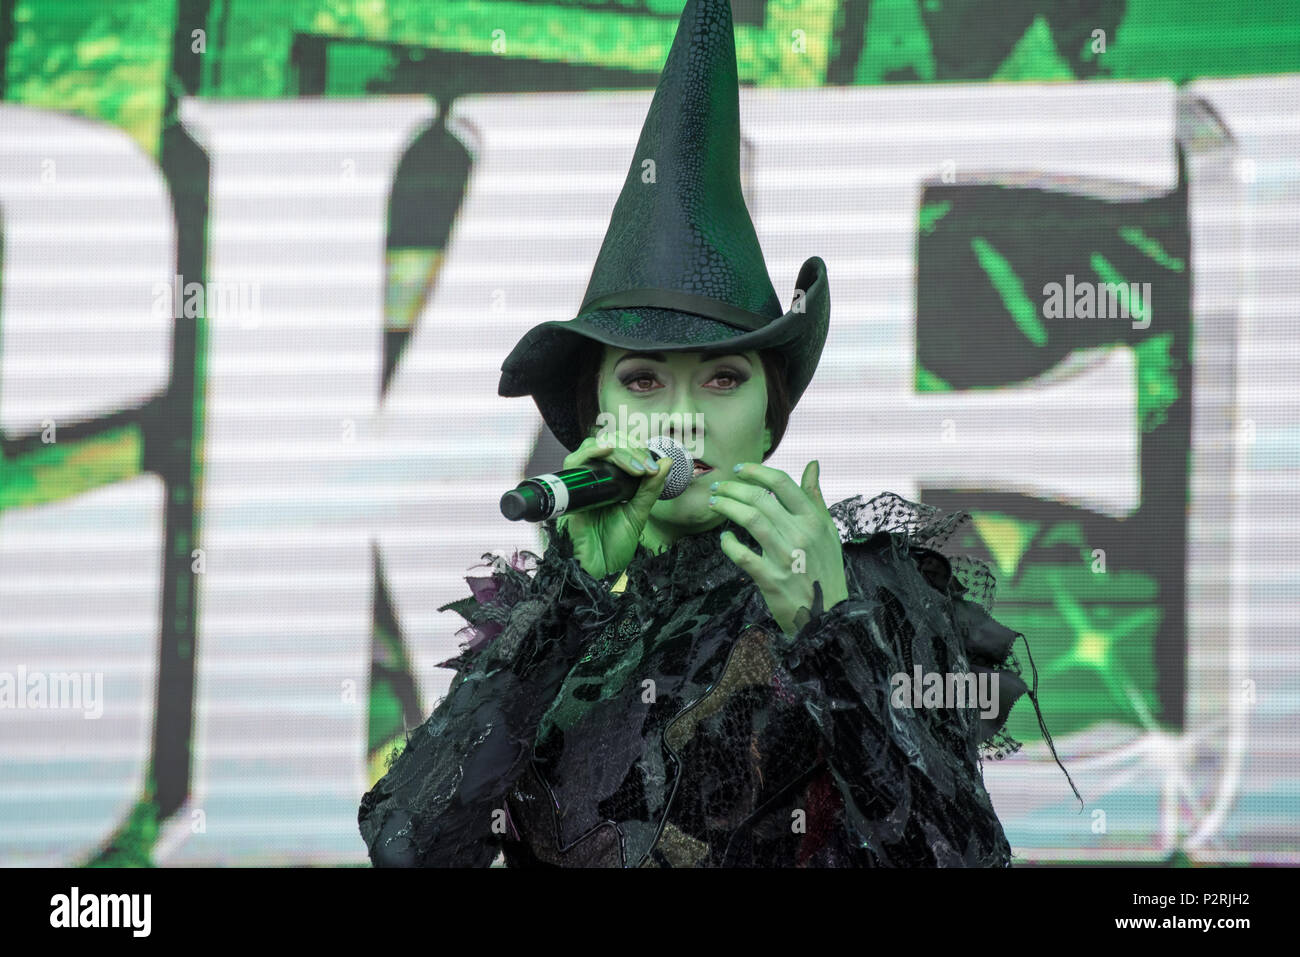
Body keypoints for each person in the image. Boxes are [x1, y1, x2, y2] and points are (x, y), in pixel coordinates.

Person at [357, 0, 1078, 868]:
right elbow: (407, 847)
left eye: (723, 377)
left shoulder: (870, 590)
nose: (682, 414)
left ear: (771, 418)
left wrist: (832, 632)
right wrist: (566, 594)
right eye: (644, 379)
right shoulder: (547, 623)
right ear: (595, 416)